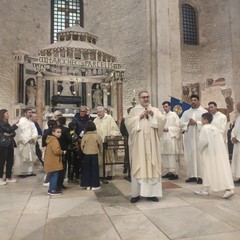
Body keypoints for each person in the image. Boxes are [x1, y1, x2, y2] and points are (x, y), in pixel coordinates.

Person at [125, 91, 166, 203]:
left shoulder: (155, 110)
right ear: (139, 99)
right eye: (143, 97)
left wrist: (153, 115)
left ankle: (152, 194)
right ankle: (136, 194)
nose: (146, 99)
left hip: (153, 144)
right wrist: (139, 116)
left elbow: (163, 121)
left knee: (153, 165)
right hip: (139, 144)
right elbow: (127, 123)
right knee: (139, 164)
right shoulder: (134, 111)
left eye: (147, 97)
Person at [195, 112, 234, 199]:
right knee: (218, 170)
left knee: (206, 170)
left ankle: (205, 189)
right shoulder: (215, 128)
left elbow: (202, 142)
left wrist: (199, 150)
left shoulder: (205, 128)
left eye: (202, 119)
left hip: (207, 153)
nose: (201, 121)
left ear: (205, 120)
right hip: (216, 153)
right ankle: (227, 188)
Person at [180, 94, 207, 184]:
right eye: (192, 100)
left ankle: (201, 176)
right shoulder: (186, 112)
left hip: (199, 136)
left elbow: (207, 123)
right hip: (189, 137)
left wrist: (196, 123)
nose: (193, 102)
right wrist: (188, 123)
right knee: (190, 155)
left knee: (199, 156)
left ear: (198, 101)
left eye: (195, 100)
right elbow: (180, 123)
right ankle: (192, 175)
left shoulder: (204, 112)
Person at [94, 106, 121, 180]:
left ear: (103, 112)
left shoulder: (109, 118)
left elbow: (115, 129)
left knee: (108, 159)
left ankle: (109, 174)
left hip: (108, 142)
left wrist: (113, 133)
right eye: (97, 112)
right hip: (99, 143)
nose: (98, 113)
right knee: (100, 159)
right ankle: (101, 174)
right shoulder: (96, 120)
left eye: (99, 112)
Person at [14, 108, 38, 177]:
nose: (30, 114)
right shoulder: (21, 121)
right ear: (25, 113)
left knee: (30, 157)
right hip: (24, 143)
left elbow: (34, 132)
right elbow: (19, 132)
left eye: (31, 112)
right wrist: (27, 140)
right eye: (29, 112)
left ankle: (29, 172)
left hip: (31, 142)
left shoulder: (31, 123)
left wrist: (33, 138)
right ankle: (22, 172)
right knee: (23, 157)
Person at [161, 101, 181, 180]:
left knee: (172, 155)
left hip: (171, 137)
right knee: (165, 155)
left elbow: (178, 127)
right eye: (164, 107)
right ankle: (168, 171)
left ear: (169, 106)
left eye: (166, 106)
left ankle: (174, 173)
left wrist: (168, 129)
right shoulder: (162, 116)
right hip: (164, 138)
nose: (165, 108)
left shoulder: (174, 115)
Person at [44, 125, 66, 196]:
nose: (60, 133)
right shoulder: (55, 140)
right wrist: (62, 152)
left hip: (51, 160)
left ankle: (51, 189)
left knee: (53, 175)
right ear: (53, 132)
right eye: (58, 132)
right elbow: (56, 151)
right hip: (54, 161)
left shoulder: (50, 139)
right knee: (54, 175)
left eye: (60, 132)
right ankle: (52, 190)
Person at [81, 121, 102, 190]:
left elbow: (82, 146)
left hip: (86, 154)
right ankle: (95, 185)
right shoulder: (97, 136)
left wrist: (84, 151)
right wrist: (100, 152)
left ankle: (86, 185)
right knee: (94, 169)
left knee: (86, 170)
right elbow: (100, 145)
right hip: (94, 154)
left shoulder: (85, 136)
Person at [0, 109, 19, 185]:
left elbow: (13, 133)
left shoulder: (7, 123)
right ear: (3, 114)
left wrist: (9, 133)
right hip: (3, 144)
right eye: (6, 113)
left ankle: (8, 177)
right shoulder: (1, 123)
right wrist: (15, 124)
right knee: (2, 161)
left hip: (10, 143)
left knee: (10, 160)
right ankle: (0, 177)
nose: (8, 114)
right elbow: (10, 129)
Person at [42, 119, 58, 187]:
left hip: (46, 149)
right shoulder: (50, 133)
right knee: (51, 167)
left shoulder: (46, 131)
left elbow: (43, 143)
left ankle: (47, 178)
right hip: (51, 151)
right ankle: (47, 180)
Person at [57, 116, 71, 190]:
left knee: (56, 166)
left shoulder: (55, 129)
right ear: (65, 122)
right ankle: (60, 183)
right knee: (63, 167)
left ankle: (55, 182)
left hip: (55, 149)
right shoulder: (66, 129)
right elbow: (69, 139)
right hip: (64, 150)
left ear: (58, 121)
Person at [120, 107, 133, 174]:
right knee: (127, 153)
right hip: (127, 138)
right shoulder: (124, 119)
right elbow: (121, 129)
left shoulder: (136, 119)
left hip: (134, 138)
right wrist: (124, 137)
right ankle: (126, 167)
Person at [231, 102, 240, 184]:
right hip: (237, 143)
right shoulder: (238, 118)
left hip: (239, 141)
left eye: (238, 106)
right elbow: (234, 129)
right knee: (238, 161)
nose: (237, 108)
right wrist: (233, 137)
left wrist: (238, 138)